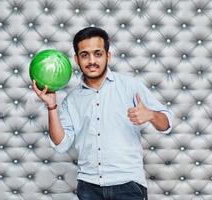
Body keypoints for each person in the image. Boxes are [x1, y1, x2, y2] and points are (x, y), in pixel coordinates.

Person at [32, 27, 174, 200]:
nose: (92, 60)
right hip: (88, 187)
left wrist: (151, 115)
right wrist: (51, 107)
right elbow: (61, 144)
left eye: (98, 53)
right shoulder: (72, 99)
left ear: (108, 56)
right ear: (77, 59)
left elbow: (167, 124)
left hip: (128, 185)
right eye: (85, 55)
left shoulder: (130, 86)